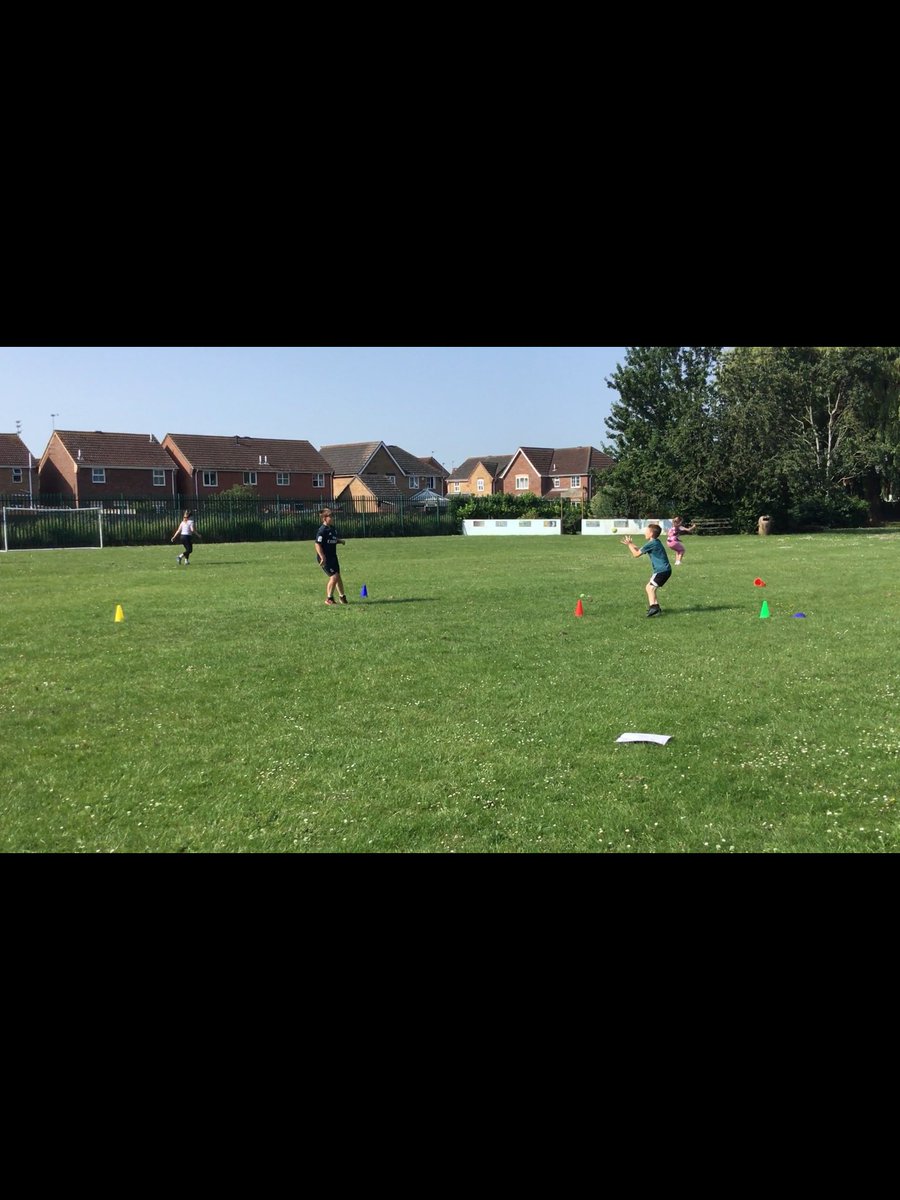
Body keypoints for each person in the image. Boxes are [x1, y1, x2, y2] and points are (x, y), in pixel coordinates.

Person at [622, 524, 672, 617]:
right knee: (650, 587)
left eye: (647, 531)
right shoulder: (654, 542)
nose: (645, 533)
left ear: (651, 533)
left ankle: (653, 607)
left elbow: (636, 554)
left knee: (650, 588)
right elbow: (640, 550)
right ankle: (656, 607)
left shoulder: (652, 543)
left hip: (662, 570)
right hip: (664, 570)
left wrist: (629, 545)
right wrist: (631, 544)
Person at [315, 509, 348, 605]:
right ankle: (329, 598)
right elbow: (317, 544)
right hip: (325, 558)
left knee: (338, 577)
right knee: (334, 577)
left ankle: (342, 597)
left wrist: (339, 541)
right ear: (325, 518)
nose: (333, 518)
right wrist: (322, 556)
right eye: (331, 516)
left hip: (333, 557)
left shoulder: (332, 528)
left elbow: (332, 539)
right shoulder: (322, 530)